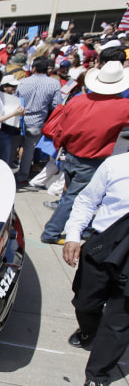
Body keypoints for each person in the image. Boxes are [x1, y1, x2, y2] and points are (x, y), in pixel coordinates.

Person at [40, 61, 129, 244]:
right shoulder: (123, 106)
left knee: (70, 195)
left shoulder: (77, 100)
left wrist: (61, 148)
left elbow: (60, 129)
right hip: (90, 160)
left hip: (70, 154)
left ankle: (77, 228)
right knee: (75, 197)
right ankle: (52, 232)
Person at [62, 152, 129, 386]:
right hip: (104, 246)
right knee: (85, 303)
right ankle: (90, 331)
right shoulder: (116, 165)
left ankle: (97, 376)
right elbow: (87, 200)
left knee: (119, 320)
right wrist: (73, 235)